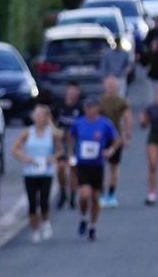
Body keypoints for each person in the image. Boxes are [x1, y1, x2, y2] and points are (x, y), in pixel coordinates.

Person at [69, 94, 122, 241]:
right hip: (83, 164)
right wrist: (71, 154)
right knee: (84, 195)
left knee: (95, 197)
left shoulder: (105, 124)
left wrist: (110, 150)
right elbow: (71, 137)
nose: (89, 110)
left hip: (97, 165)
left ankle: (92, 226)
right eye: (87, 108)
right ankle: (83, 217)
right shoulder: (78, 123)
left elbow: (117, 140)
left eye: (92, 107)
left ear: (97, 109)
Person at [11, 102, 61, 243]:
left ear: (46, 117)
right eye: (36, 114)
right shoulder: (28, 132)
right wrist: (24, 157)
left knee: (44, 201)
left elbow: (59, 150)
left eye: (41, 115)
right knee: (32, 202)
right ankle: (34, 230)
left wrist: (53, 158)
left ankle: (45, 222)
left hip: (46, 172)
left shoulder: (51, 133)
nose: (38, 117)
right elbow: (14, 149)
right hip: (30, 172)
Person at [96, 74, 133, 208]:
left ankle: (111, 194)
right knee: (98, 166)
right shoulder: (99, 102)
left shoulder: (121, 101)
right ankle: (100, 193)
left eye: (113, 86)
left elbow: (128, 118)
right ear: (104, 86)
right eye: (108, 85)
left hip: (116, 138)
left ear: (117, 87)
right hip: (100, 138)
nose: (110, 88)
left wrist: (127, 136)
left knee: (114, 167)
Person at [51, 81, 84, 209]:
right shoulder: (59, 106)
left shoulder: (80, 108)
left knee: (73, 169)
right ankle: (62, 192)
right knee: (60, 168)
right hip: (61, 142)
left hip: (75, 142)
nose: (72, 93)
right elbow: (51, 121)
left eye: (75, 91)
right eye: (70, 90)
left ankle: (73, 195)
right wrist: (56, 133)